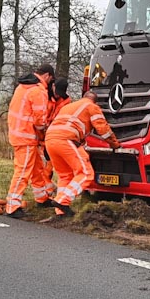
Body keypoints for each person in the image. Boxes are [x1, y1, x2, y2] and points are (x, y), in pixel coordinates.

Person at [44, 77, 120, 216]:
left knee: (65, 175)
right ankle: (62, 200)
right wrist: (115, 144)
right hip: (66, 140)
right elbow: (103, 129)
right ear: (94, 100)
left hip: (50, 140)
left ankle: (60, 212)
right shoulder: (91, 106)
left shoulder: (68, 106)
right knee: (86, 173)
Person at [4, 63, 56, 216]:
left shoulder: (22, 87)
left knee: (37, 169)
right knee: (23, 171)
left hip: (19, 133)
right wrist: (44, 133)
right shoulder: (38, 90)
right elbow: (39, 120)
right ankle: (12, 206)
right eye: (51, 80)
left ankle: (42, 198)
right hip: (26, 136)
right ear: (47, 76)